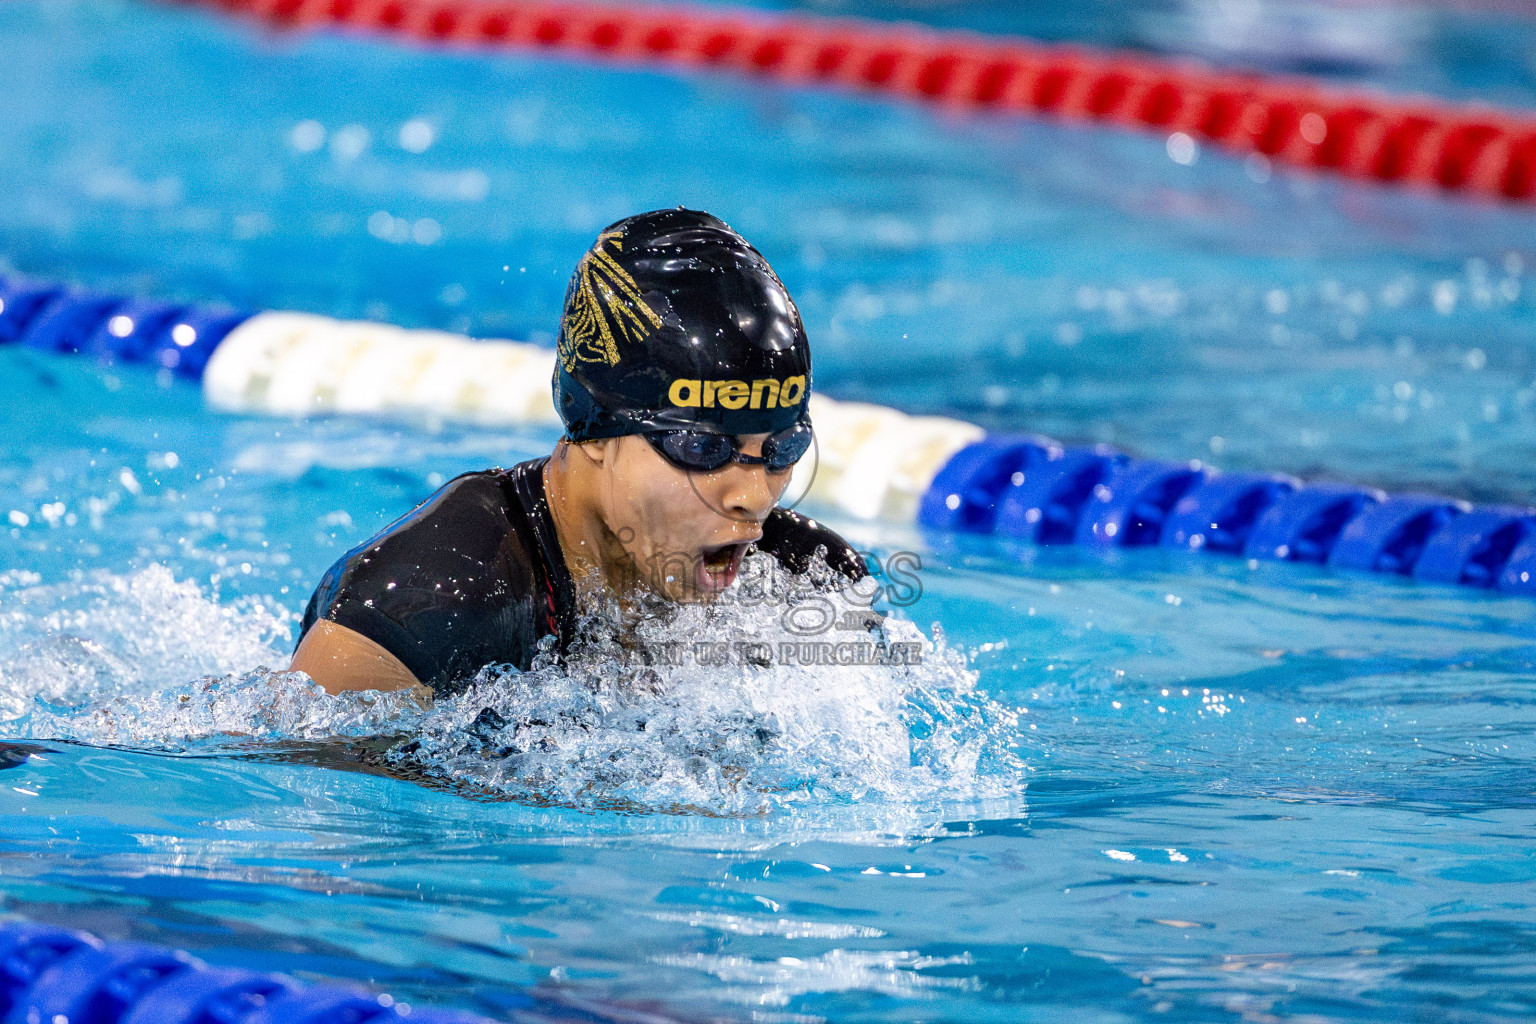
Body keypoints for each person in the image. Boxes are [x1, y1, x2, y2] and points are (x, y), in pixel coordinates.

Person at [290, 208, 867, 697]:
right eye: (702, 448)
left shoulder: (812, 585)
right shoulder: (421, 611)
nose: (753, 498)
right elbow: (307, 799)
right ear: (595, 429)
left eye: (782, 447)